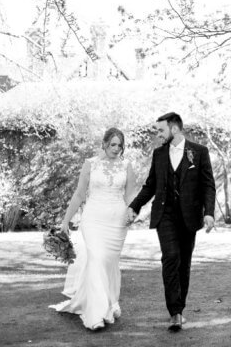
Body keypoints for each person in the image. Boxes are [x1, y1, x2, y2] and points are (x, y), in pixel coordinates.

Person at [126, 112, 216, 332]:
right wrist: (134, 206)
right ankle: (174, 312)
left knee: (184, 263)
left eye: (161, 130)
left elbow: (208, 185)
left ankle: (180, 308)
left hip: (189, 217)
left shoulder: (199, 152)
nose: (157, 134)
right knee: (171, 257)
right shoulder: (159, 154)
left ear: (174, 129)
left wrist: (209, 213)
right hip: (165, 215)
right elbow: (150, 185)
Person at [49, 127, 137, 331]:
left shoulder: (127, 166)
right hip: (93, 219)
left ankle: (110, 302)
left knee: (109, 263)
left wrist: (132, 213)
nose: (116, 149)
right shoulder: (90, 164)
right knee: (96, 258)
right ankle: (97, 314)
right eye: (113, 144)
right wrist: (65, 221)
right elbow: (79, 195)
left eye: (120, 145)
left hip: (117, 221)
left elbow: (130, 195)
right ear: (104, 144)